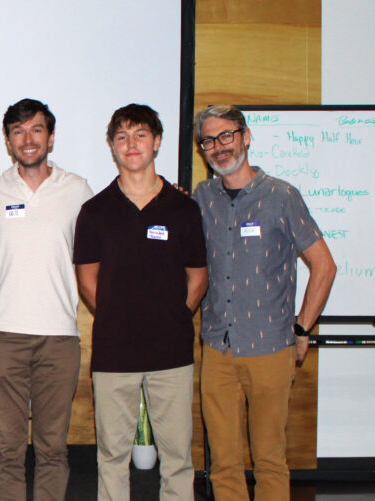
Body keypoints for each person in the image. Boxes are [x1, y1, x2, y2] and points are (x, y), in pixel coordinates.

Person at [192, 105, 336, 501]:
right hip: (217, 349)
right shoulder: (201, 197)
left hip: (271, 347)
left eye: (226, 136)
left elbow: (324, 265)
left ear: (246, 136)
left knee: (270, 459)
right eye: (208, 140)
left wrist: (303, 327)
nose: (219, 147)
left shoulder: (282, 195)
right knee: (222, 462)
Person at [73, 104, 207, 501]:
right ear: (113, 147)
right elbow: (87, 278)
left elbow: (198, 277)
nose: (131, 144)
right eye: (122, 137)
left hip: (172, 352)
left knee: (177, 457)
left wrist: (170, 318)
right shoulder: (95, 211)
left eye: (140, 135)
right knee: (112, 455)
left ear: (157, 142)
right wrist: (120, 317)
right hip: (114, 353)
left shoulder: (184, 208)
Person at [0, 99, 93, 501]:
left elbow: (108, 243)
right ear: (8, 141)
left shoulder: (77, 189)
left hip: (59, 338)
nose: (28, 139)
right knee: (6, 450)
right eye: (18, 131)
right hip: (4, 338)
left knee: (53, 448)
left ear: (50, 137)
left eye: (36, 129)